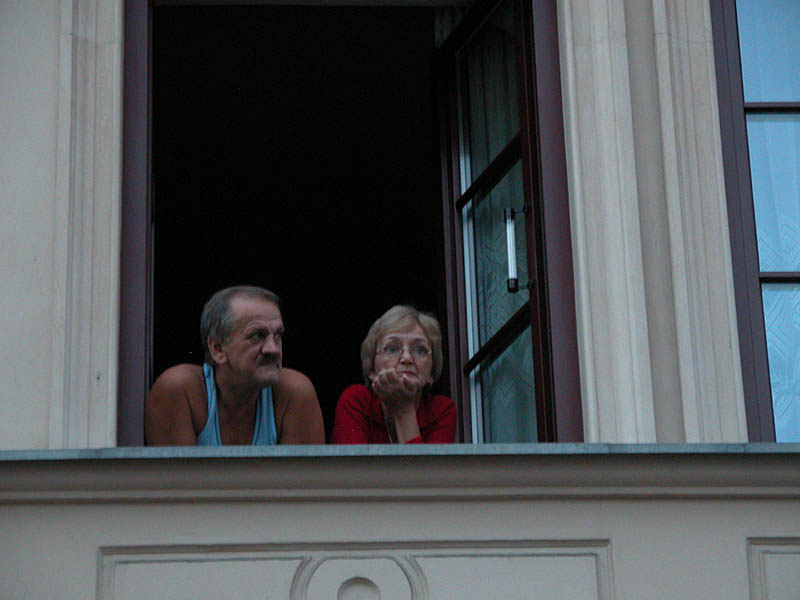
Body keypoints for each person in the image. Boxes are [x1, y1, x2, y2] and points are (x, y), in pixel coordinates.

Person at [145, 285, 325, 445]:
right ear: (218, 348)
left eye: (277, 336)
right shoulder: (180, 389)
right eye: (257, 335)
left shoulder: (294, 392)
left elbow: (301, 474)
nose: (273, 349)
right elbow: (177, 474)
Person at [331, 305, 456, 444]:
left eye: (420, 350)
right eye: (392, 349)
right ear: (372, 369)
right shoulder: (356, 400)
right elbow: (353, 459)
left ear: (431, 374)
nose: (407, 358)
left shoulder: (442, 410)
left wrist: (404, 410)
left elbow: (422, 461)